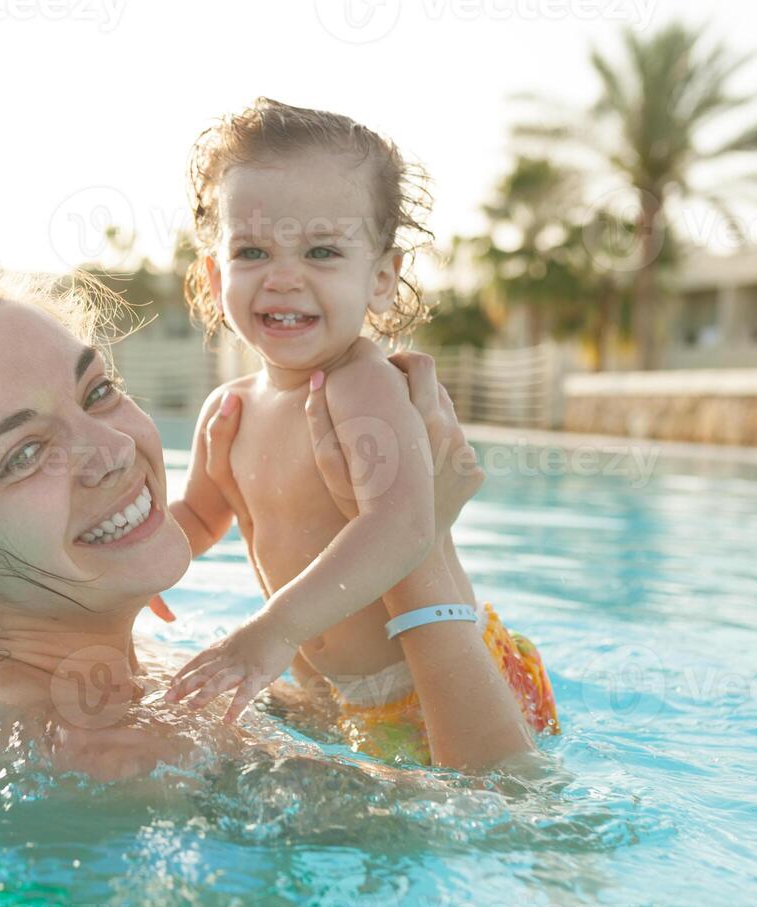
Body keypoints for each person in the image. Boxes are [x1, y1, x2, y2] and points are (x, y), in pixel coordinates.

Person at [0, 268, 535, 779]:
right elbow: (519, 833)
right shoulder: (124, 753)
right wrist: (418, 544)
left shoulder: (128, 693)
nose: (115, 449)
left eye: (97, 391)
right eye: (25, 453)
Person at [162, 97, 558, 766]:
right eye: (252, 250)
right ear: (212, 274)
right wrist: (133, 566)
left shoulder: (361, 385)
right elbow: (199, 518)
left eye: (321, 251)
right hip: (339, 698)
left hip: (439, 688)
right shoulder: (227, 412)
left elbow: (404, 525)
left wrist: (273, 631)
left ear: (380, 279)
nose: (284, 277)